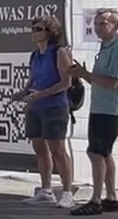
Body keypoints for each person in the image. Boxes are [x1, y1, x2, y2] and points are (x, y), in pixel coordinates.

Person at [69, 8, 118, 217]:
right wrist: (83, 75)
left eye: (103, 24)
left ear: (116, 26)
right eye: (96, 24)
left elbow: (112, 82)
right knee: (104, 152)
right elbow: (99, 79)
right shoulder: (105, 47)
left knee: (96, 152)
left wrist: (85, 74)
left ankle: (96, 199)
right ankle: (111, 197)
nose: (98, 28)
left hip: (112, 108)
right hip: (100, 106)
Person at [21, 15, 77, 208]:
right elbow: (32, 82)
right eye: (33, 29)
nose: (34, 33)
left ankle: (68, 193)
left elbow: (66, 82)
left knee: (58, 151)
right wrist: (22, 94)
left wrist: (42, 94)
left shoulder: (59, 52)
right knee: (40, 149)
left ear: (50, 32)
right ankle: (46, 190)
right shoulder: (34, 55)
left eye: (38, 29)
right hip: (35, 107)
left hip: (55, 107)